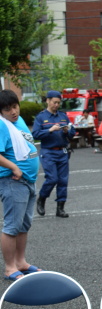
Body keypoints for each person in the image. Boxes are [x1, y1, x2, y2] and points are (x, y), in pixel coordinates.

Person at [0, 90, 42, 281]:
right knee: (12, 226)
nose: (13, 112)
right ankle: (10, 268)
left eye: (15, 107)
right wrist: (14, 168)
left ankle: (21, 262)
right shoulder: (2, 125)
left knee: (24, 225)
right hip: (13, 180)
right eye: (7, 109)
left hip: (28, 181)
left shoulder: (19, 121)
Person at [32, 90, 75, 218]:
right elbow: (35, 135)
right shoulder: (41, 117)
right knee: (52, 178)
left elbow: (73, 134)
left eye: (58, 103)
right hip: (48, 152)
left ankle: (60, 208)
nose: (56, 105)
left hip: (62, 151)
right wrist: (50, 130)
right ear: (48, 101)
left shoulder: (63, 116)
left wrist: (67, 131)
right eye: (54, 102)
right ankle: (42, 199)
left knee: (63, 180)